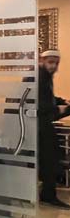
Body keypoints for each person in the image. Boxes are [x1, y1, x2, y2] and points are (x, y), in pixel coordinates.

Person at [38, 49, 70, 208]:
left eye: (56, 63)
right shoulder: (39, 77)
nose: (53, 66)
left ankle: (48, 193)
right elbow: (38, 103)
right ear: (41, 61)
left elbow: (48, 97)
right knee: (49, 159)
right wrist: (58, 109)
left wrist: (62, 101)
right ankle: (48, 195)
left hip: (43, 123)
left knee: (51, 158)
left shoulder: (45, 76)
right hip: (38, 124)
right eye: (50, 62)